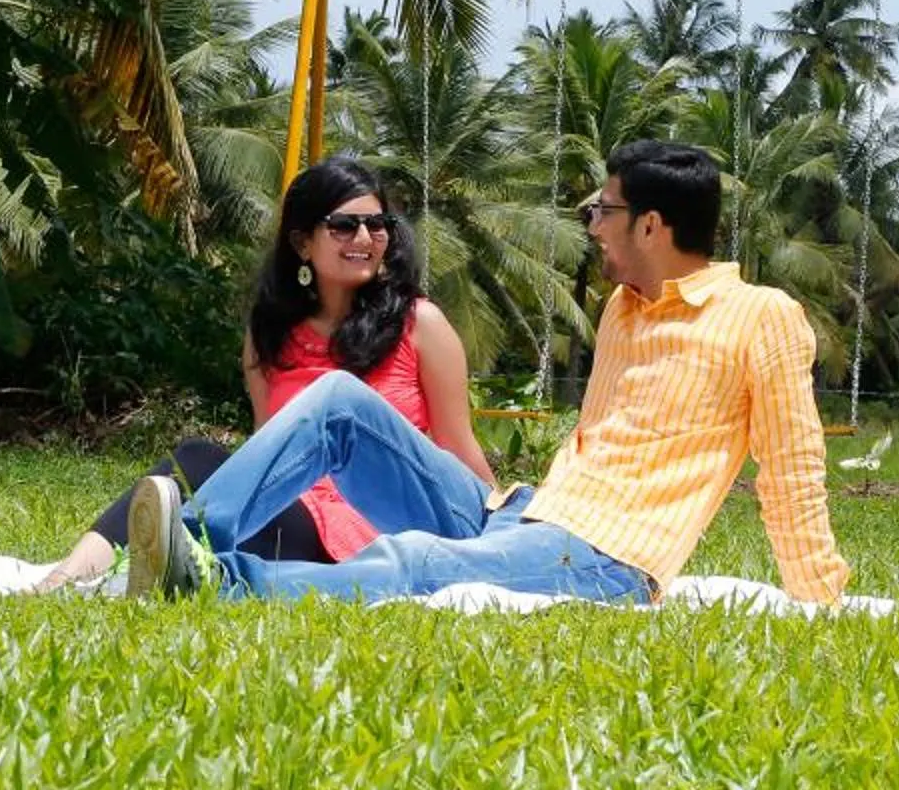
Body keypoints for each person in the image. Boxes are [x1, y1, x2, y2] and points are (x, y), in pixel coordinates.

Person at [127, 138, 849, 605]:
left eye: (602, 210)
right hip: (517, 511)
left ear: (652, 226)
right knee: (338, 401)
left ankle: (220, 586)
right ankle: (189, 540)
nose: (590, 225)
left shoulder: (762, 317)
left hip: (604, 558)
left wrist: (821, 603)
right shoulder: (625, 311)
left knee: (413, 562)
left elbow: (793, 474)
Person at [30, 156, 492, 590]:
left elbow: (457, 444)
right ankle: (67, 577)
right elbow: (267, 450)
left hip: (372, 523)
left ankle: (156, 557)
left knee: (201, 484)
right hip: (297, 515)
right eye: (345, 226)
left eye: (378, 225)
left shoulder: (419, 324)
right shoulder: (270, 334)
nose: (366, 239)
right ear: (302, 243)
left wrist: (501, 532)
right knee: (195, 459)